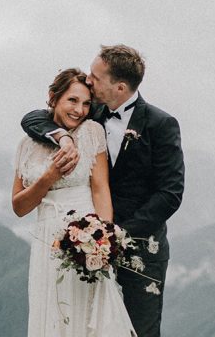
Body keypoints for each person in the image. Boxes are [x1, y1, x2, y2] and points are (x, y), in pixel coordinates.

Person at [21, 45, 184, 337]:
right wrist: (63, 138)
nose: (88, 80)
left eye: (95, 77)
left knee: (138, 331)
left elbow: (170, 193)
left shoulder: (161, 125)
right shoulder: (87, 112)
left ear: (119, 87)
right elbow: (33, 118)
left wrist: (113, 235)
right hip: (82, 245)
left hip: (139, 248)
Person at [13, 67, 137, 337]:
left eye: (85, 103)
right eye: (72, 100)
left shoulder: (92, 132)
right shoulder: (26, 145)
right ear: (53, 98)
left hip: (85, 240)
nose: (79, 110)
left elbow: (101, 189)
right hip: (46, 242)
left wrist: (104, 240)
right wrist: (50, 176)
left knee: (86, 316)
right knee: (51, 316)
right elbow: (19, 207)